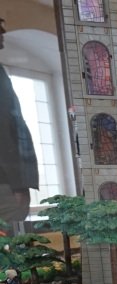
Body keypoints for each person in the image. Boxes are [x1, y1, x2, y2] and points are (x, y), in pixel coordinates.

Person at [0, 18, 39, 225]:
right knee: (10, 237)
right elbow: (5, 129)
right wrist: (18, 184)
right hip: (5, 185)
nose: (3, 32)